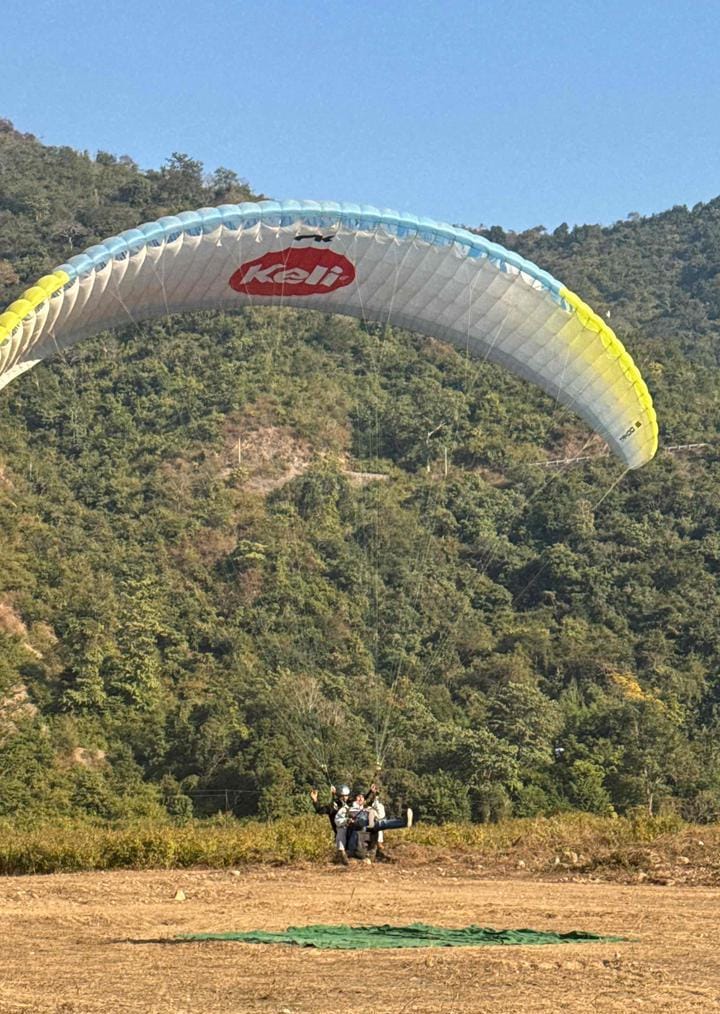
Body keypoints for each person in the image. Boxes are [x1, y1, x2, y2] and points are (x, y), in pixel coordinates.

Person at [310, 784, 352, 865]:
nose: (345, 798)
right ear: (339, 796)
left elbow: (362, 800)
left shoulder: (350, 804)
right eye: (342, 796)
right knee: (341, 831)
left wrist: (371, 792)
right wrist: (315, 800)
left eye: (346, 796)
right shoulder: (333, 806)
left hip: (351, 828)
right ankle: (342, 855)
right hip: (340, 829)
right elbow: (320, 810)